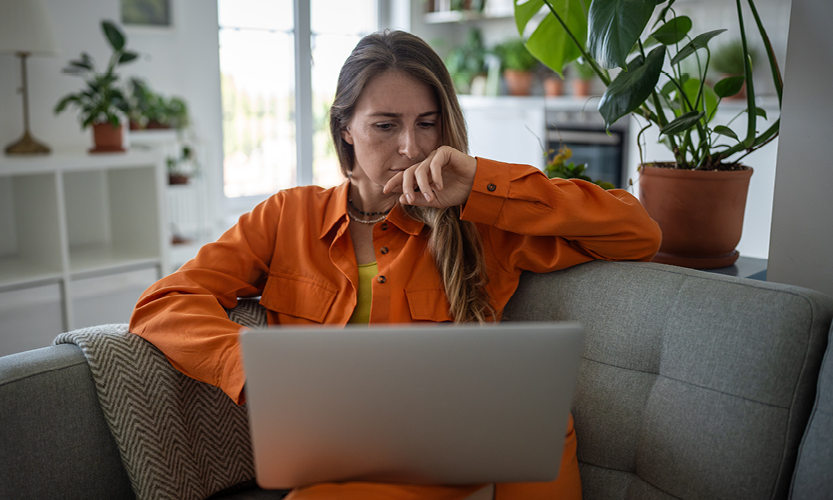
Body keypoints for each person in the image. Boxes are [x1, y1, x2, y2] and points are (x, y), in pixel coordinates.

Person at [130, 30, 661, 500]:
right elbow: (164, 303)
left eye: (427, 124)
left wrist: (480, 183)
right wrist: (248, 369)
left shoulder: (480, 223)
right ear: (345, 129)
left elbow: (637, 231)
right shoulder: (285, 217)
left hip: (480, 458)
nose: (411, 146)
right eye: (385, 126)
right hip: (345, 466)